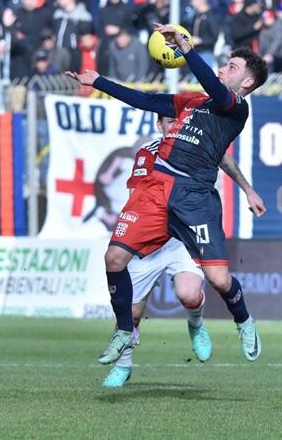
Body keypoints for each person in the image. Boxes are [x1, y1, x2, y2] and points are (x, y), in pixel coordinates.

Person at [65, 23, 268, 365]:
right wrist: (98, 81)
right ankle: (124, 331)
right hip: (157, 189)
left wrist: (186, 49)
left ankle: (244, 320)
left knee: (218, 280)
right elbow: (145, 100)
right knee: (114, 258)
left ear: (246, 82)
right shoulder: (192, 101)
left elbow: (215, 89)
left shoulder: (235, 108)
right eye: (224, 64)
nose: (222, 69)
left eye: (231, 67)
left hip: (195, 197)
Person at [103, 114, 266, 387]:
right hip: (150, 235)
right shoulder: (147, 152)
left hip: (182, 236)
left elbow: (224, 159)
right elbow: (137, 196)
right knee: (131, 314)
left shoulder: (199, 144)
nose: (174, 126)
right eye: (169, 121)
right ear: (159, 126)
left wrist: (247, 189)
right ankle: (123, 366)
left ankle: (196, 323)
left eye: (178, 121)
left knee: (189, 294)